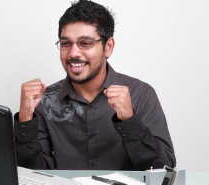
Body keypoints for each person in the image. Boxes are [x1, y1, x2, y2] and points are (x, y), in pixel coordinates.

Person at [14, 0, 176, 171]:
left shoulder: (141, 95)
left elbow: (163, 170)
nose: (73, 53)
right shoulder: (44, 101)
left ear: (108, 47)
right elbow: (32, 175)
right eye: (65, 44)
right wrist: (25, 118)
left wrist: (129, 120)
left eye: (85, 43)